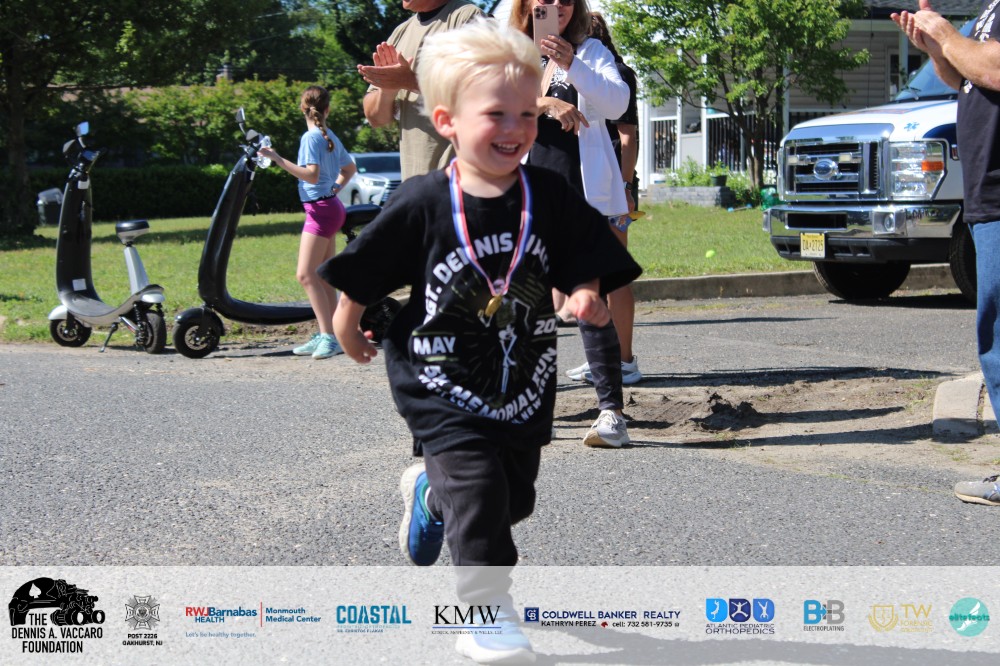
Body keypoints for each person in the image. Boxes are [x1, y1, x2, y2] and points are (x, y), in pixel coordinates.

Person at [320, 20, 640, 663]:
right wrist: (346, 321)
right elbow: (367, 266)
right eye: (496, 114)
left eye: (527, 114)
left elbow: (584, 251)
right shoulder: (423, 201)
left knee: (512, 498)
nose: (516, 128)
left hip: (519, 382)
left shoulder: (547, 194)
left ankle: (430, 494)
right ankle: (485, 616)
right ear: (447, 121)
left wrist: (585, 291)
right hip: (440, 384)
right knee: (482, 497)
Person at [510, 0, 635, 447]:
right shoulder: (513, 53)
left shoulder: (590, 51)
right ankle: (527, 407)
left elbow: (618, 103)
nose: (556, 6)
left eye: (566, 0)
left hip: (581, 193)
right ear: (528, 5)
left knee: (588, 299)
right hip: (526, 192)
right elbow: (490, 105)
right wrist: (544, 102)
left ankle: (611, 414)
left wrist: (572, 64)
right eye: (546, 0)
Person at [891, 1, 1000, 504]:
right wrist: (936, 48)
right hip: (985, 199)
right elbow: (966, 79)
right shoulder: (990, 9)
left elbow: (994, 69)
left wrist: (946, 32)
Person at [259, 85, 357, 359]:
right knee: (323, 276)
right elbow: (350, 169)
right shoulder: (328, 136)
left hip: (321, 210)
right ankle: (334, 334)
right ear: (327, 110)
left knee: (305, 275)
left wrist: (278, 159)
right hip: (329, 207)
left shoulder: (310, 137)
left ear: (302, 109)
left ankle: (329, 337)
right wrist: (334, 189)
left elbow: (312, 175)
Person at [357, 0, 484, 181]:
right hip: (414, 184)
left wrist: (410, 81)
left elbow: (484, 93)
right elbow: (376, 118)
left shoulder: (468, 18)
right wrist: (388, 90)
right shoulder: (401, 32)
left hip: (460, 182)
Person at [583, 10, 641, 386]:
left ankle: (624, 361)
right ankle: (604, 358)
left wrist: (624, 188)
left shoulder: (615, 73)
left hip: (615, 186)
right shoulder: (588, 72)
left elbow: (628, 136)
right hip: (601, 183)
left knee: (615, 274)